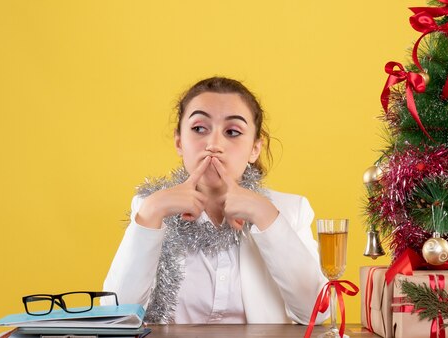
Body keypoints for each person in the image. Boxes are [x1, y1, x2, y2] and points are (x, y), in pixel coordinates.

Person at [102, 76, 328, 325]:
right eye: (199, 128)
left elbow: (317, 314)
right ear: (179, 142)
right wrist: (152, 211)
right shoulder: (150, 208)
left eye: (232, 132)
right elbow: (116, 315)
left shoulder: (289, 211)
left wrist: (265, 216)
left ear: (254, 149)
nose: (213, 144)